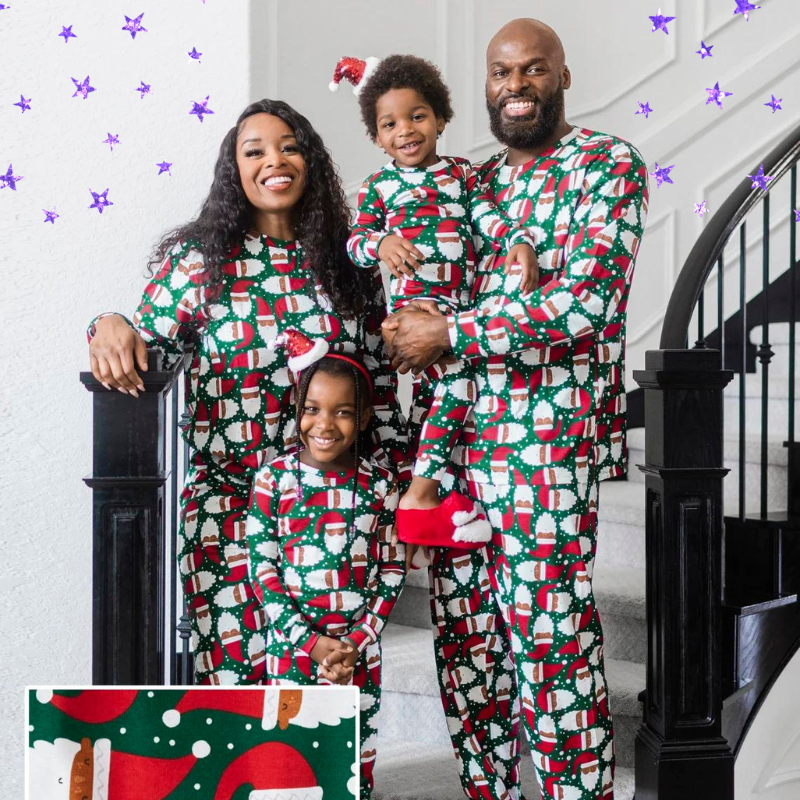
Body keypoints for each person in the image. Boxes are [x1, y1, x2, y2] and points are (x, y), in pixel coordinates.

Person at [383, 18, 649, 800]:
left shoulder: (606, 164)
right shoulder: (473, 180)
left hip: (548, 449)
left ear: (563, 74)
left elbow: (587, 306)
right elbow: (411, 270)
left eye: (533, 70)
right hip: (457, 446)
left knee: (550, 642)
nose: (516, 86)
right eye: (501, 73)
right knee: (466, 651)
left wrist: (454, 329)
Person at [86, 99, 407, 686]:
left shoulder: (348, 263)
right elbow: (144, 339)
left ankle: (332, 781)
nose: (273, 161)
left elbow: (378, 390)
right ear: (234, 170)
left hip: (329, 512)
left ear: (309, 161)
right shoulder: (200, 263)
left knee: (329, 683)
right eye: (253, 151)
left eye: (288, 146)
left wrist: (405, 497)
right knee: (235, 688)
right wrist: (105, 322)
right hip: (225, 509)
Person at [332, 54, 539, 543]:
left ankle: (442, 501)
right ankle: (419, 495)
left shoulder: (462, 176)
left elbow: (487, 216)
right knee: (461, 388)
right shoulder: (379, 187)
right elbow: (357, 244)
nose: (405, 130)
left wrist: (517, 239)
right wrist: (381, 243)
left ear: (442, 119)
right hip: (412, 313)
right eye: (390, 124)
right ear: (377, 137)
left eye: (418, 116)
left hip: (457, 314)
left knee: (441, 406)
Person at [246, 335, 405, 799]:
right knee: (289, 757)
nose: (324, 423)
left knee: (350, 759)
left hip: (358, 654)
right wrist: (310, 644)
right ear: (297, 409)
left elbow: (392, 571)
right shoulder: (272, 479)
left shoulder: (381, 486)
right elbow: (263, 571)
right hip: (292, 648)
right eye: (312, 408)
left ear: (365, 418)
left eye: (342, 411)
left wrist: (356, 642)